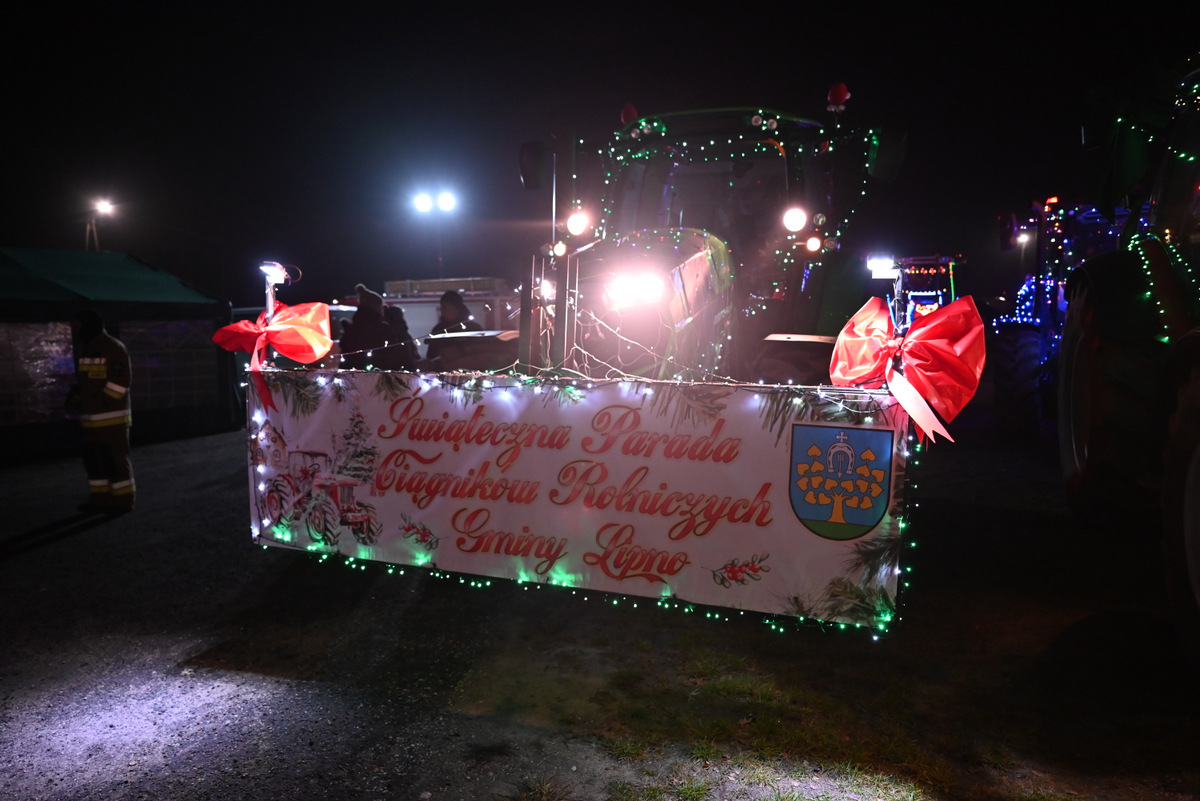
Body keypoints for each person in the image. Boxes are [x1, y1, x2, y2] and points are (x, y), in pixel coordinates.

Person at [67, 309, 135, 513]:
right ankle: (100, 500)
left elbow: (120, 383)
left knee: (115, 462)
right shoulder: (88, 348)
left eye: (78, 324)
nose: (75, 328)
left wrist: (97, 402)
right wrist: (78, 396)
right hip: (91, 420)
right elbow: (88, 383)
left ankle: (123, 502)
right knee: (95, 464)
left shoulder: (112, 347)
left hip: (111, 421)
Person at [339, 283, 409, 370]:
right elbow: (394, 356)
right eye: (381, 307)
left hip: (354, 378)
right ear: (376, 307)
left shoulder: (351, 330)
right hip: (380, 377)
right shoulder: (383, 328)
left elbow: (345, 357)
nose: (383, 310)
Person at [423, 290, 482, 369]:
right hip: (441, 372)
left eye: (445, 306)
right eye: (442, 306)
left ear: (455, 307)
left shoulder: (472, 328)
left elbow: (479, 352)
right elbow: (431, 355)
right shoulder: (439, 329)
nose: (442, 310)